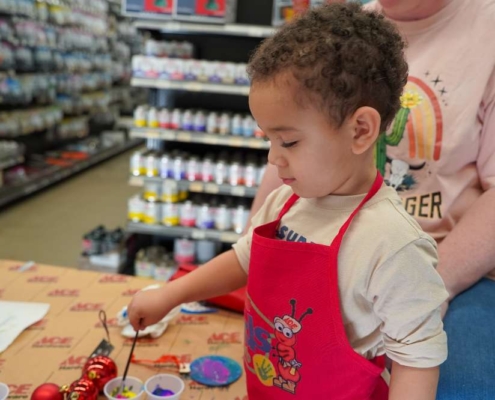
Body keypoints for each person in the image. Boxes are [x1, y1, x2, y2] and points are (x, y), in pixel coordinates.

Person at [128, 3, 448, 399]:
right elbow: (244, 260)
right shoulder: (286, 202)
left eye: (289, 142)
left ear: (360, 130)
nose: (273, 158)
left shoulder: (392, 244)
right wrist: (171, 294)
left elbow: (417, 361)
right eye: (269, 140)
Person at [251, 0, 495, 398]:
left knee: (461, 388)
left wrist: (428, 287)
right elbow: (287, 157)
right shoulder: (344, 33)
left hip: (451, 268)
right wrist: (261, 255)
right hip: (336, 252)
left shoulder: (487, 32)